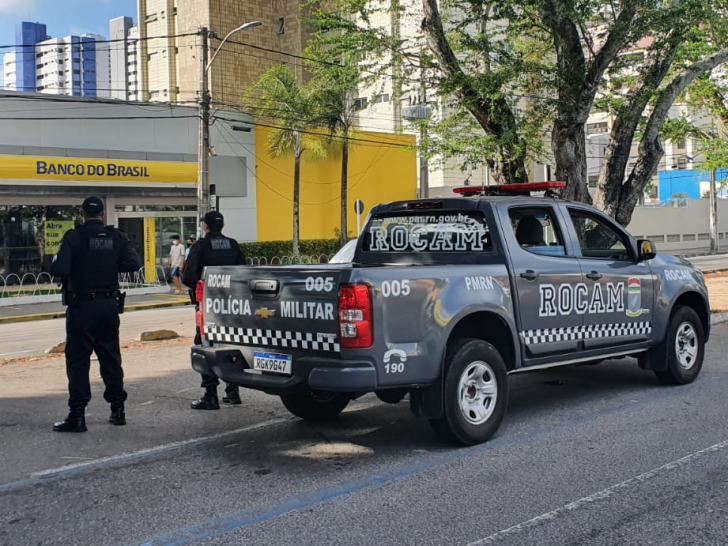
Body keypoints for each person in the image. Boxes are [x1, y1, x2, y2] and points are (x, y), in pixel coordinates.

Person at [50, 197, 141, 432]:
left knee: (78, 361)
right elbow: (133, 264)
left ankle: (78, 416)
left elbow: (59, 269)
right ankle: (118, 410)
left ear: (82, 213)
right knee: (110, 357)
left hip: (82, 307)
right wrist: (109, 263)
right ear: (102, 214)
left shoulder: (75, 237)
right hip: (109, 305)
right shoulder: (116, 237)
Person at [183, 210, 247, 410]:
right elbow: (243, 271)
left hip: (209, 305)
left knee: (206, 345)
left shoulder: (200, 246)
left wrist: (203, 288)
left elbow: (188, 276)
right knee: (232, 343)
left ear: (205, 226)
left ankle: (210, 394)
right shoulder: (233, 244)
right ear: (223, 225)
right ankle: (233, 390)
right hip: (233, 304)